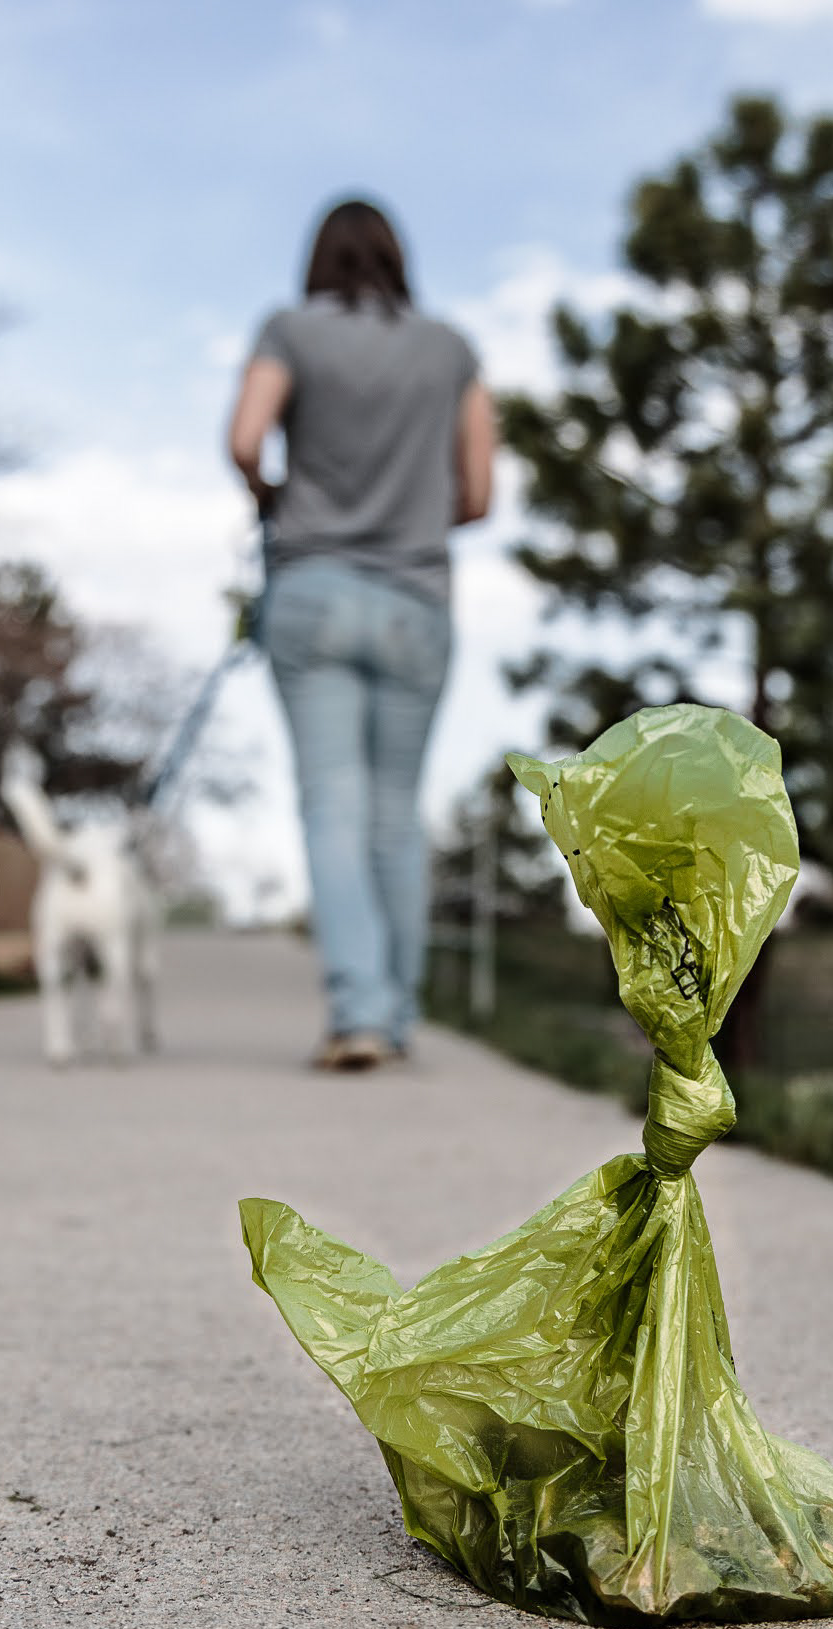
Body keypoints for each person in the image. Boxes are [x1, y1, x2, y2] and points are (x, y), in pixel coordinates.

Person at [228, 196, 494, 1070]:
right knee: (393, 818)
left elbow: (244, 438)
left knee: (331, 808)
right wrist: (411, 522)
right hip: (418, 599)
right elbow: (480, 494)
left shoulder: (290, 330)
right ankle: (401, 1016)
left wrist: (278, 499)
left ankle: (359, 1016)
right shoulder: (451, 349)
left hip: (312, 589)